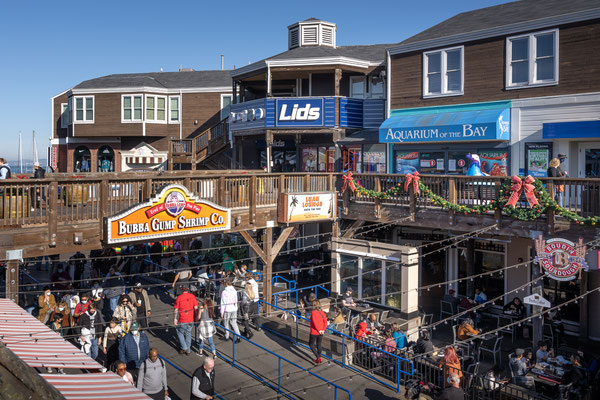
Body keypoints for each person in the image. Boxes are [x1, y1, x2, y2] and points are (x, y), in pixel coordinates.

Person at [174, 286, 198, 354]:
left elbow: (176, 309)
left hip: (182, 319)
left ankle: (184, 347)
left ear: (182, 290)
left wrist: (175, 318)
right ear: (188, 289)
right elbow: (196, 308)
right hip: (191, 319)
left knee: (180, 332)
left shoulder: (179, 297)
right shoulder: (192, 296)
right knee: (188, 333)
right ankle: (188, 350)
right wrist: (196, 318)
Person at [309, 299, 327, 364]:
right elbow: (325, 322)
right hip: (321, 332)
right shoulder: (322, 312)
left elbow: (314, 322)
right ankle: (319, 357)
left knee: (311, 344)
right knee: (319, 344)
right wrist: (323, 330)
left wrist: (319, 330)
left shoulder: (313, 312)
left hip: (314, 331)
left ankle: (318, 357)